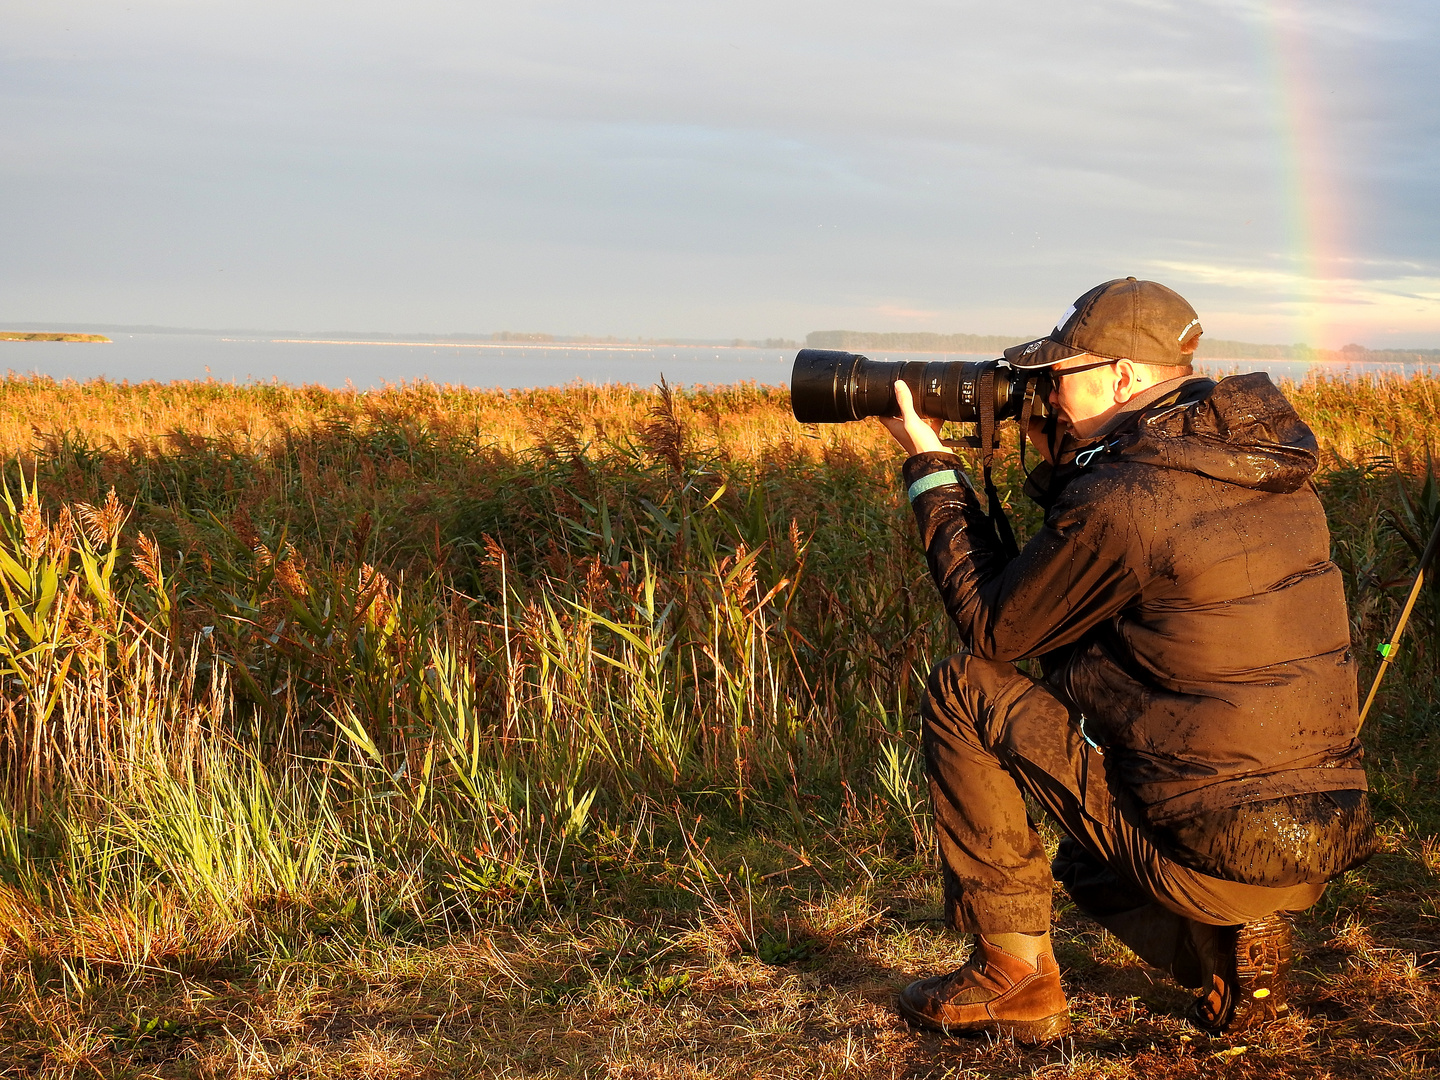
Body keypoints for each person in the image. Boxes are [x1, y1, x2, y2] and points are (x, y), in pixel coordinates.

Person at [878, 278, 1375, 1042]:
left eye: (1057, 375)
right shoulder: (1255, 469)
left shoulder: (1132, 495)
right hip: (1317, 834)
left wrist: (932, 470)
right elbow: (1075, 599)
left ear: (1121, 374)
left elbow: (995, 631)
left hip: (1212, 835)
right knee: (1086, 861)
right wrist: (1065, 464)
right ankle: (1229, 949)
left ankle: (1017, 980)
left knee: (961, 689)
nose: (1042, 392)